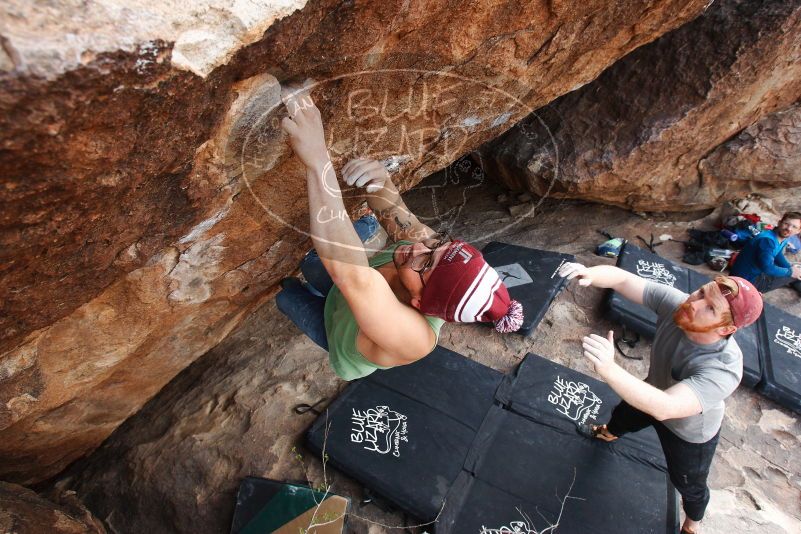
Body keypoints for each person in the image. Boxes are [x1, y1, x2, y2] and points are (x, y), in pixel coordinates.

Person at [275, 88, 523, 381]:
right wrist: (380, 179)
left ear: (420, 302)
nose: (417, 249)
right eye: (436, 245)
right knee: (314, 263)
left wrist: (318, 159)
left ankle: (290, 286)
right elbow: (392, 207)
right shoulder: (427, 250)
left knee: (287, 296)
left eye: (425, 265)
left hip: (339, 335)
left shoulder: (414, 339)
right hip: (344, 293)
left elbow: (354, 277)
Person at [558, 262, 763, 534]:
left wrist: (609, 368)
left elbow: (666, 408)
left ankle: (693, 524)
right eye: (701, 293)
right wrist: (591, 273)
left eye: (711, 308)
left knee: (689, 483)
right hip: (650, 391)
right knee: (621, 416)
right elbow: (622, 279)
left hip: (688, 430)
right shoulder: (680, 305)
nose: (695, 303)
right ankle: (608, 432)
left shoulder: (724, 368)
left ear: (726, 329)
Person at [730, 211, 801, 293]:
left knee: (796, 271)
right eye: (786, 224)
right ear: (779, 223)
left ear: (798, 231)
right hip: (745, 282)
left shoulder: (782, 236)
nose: (789, 228)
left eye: (794, 227)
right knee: (794, 274)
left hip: (752, 275)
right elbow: (767, 268)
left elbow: (778, 254)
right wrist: (790, 272)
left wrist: (789, 267)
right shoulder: (767, 241)